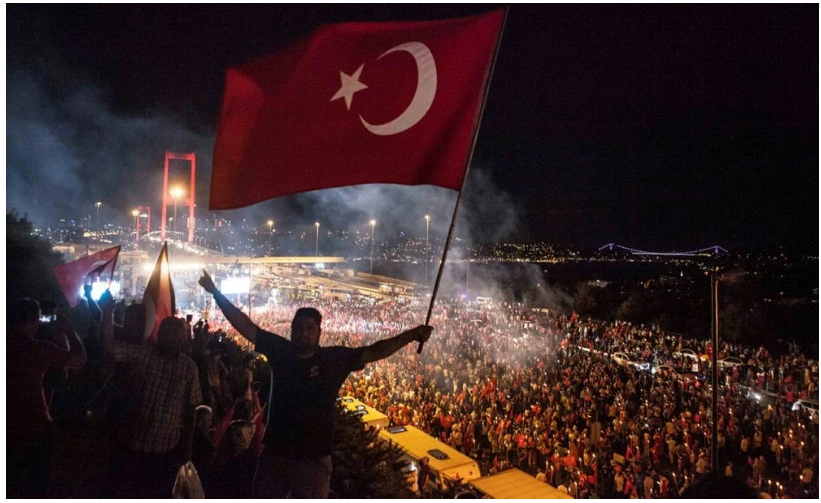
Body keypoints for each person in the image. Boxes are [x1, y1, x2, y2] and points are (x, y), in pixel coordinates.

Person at [198, 269, 432, 499]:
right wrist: (216, 293)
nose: (304, 333)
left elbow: (375, 351)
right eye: (298, 329)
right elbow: (245, 326)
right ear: (291, 331)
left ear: (320, 332)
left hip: (313, 460)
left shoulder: (333, 359)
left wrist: (411, 335)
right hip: (276, 452)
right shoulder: (281, 351)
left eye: (310, 329)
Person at [100, 292, 201, 498]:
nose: (170, 338)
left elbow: (191, 409)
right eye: (166, 333)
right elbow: (110, 348)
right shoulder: (144, 354)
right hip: (134, 443)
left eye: (175, 334)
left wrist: (187, 448)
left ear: (182, 339)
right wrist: (108, 312)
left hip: (167, 449)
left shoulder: (189, 368)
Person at [7, 298, 87, 498]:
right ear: (32, 320)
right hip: (35, 424)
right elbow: (79, 360)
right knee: (36, 481)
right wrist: (70, 332)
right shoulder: (39, 348)